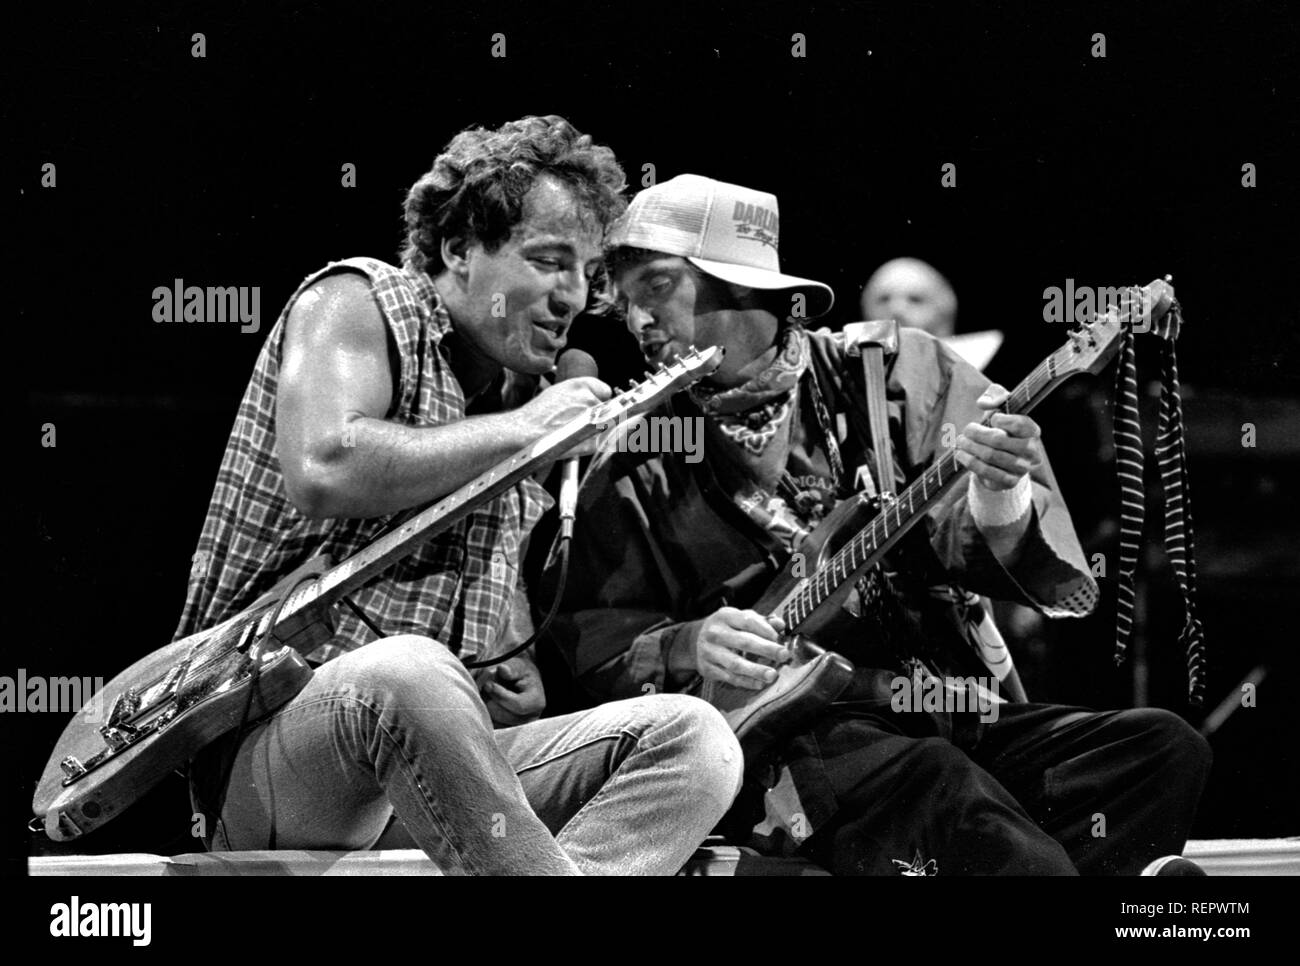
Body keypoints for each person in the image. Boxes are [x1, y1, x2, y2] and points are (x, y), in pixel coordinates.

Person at [547, 173, 1211, 875]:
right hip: (792, 742)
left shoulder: (895, 371)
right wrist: (691, 643)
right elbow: (595, 632)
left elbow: (1023, 568)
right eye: (624, 303)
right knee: (947, 792)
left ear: (740, 285)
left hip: (939, 706)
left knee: (1161, 750)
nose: (636, 321)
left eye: (653, 287)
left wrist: (997, 491)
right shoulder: (638, 452)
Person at [176, 120, 742, 875]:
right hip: (275, 756)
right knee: (406, 671)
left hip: (433, 782)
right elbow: (324, 465)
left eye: (585, 271)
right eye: (547, 261)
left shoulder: (521, 401)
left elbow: (487, 658)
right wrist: (523, 432)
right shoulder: (363, 299)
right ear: (458, 249)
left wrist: (512, 681)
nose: (571, 296)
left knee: (695, 738)